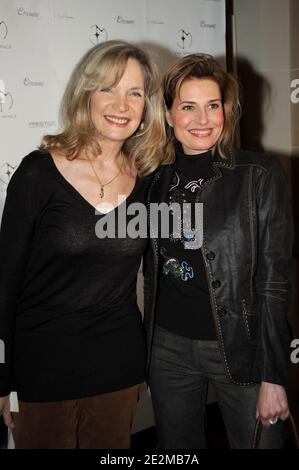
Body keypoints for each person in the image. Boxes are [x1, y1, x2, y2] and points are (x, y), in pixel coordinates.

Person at [0, 40, 165, 449]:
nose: (121, 104)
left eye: (134, 93)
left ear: (147, 106)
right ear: (85, 95)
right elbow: (4, 283)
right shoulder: (38, 173)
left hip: (117, 366)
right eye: (107, 88)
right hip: (42, 365)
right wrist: (2, 379)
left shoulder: (150, 181)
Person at [143, 53, 293, 449]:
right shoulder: (151, 178)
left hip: (241, 346)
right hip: (167, 349)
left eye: (213, 106)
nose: (203, 119)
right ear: (169, 113)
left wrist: (274, 375)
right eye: (188, 107)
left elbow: (274, 282)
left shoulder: (259, 175)